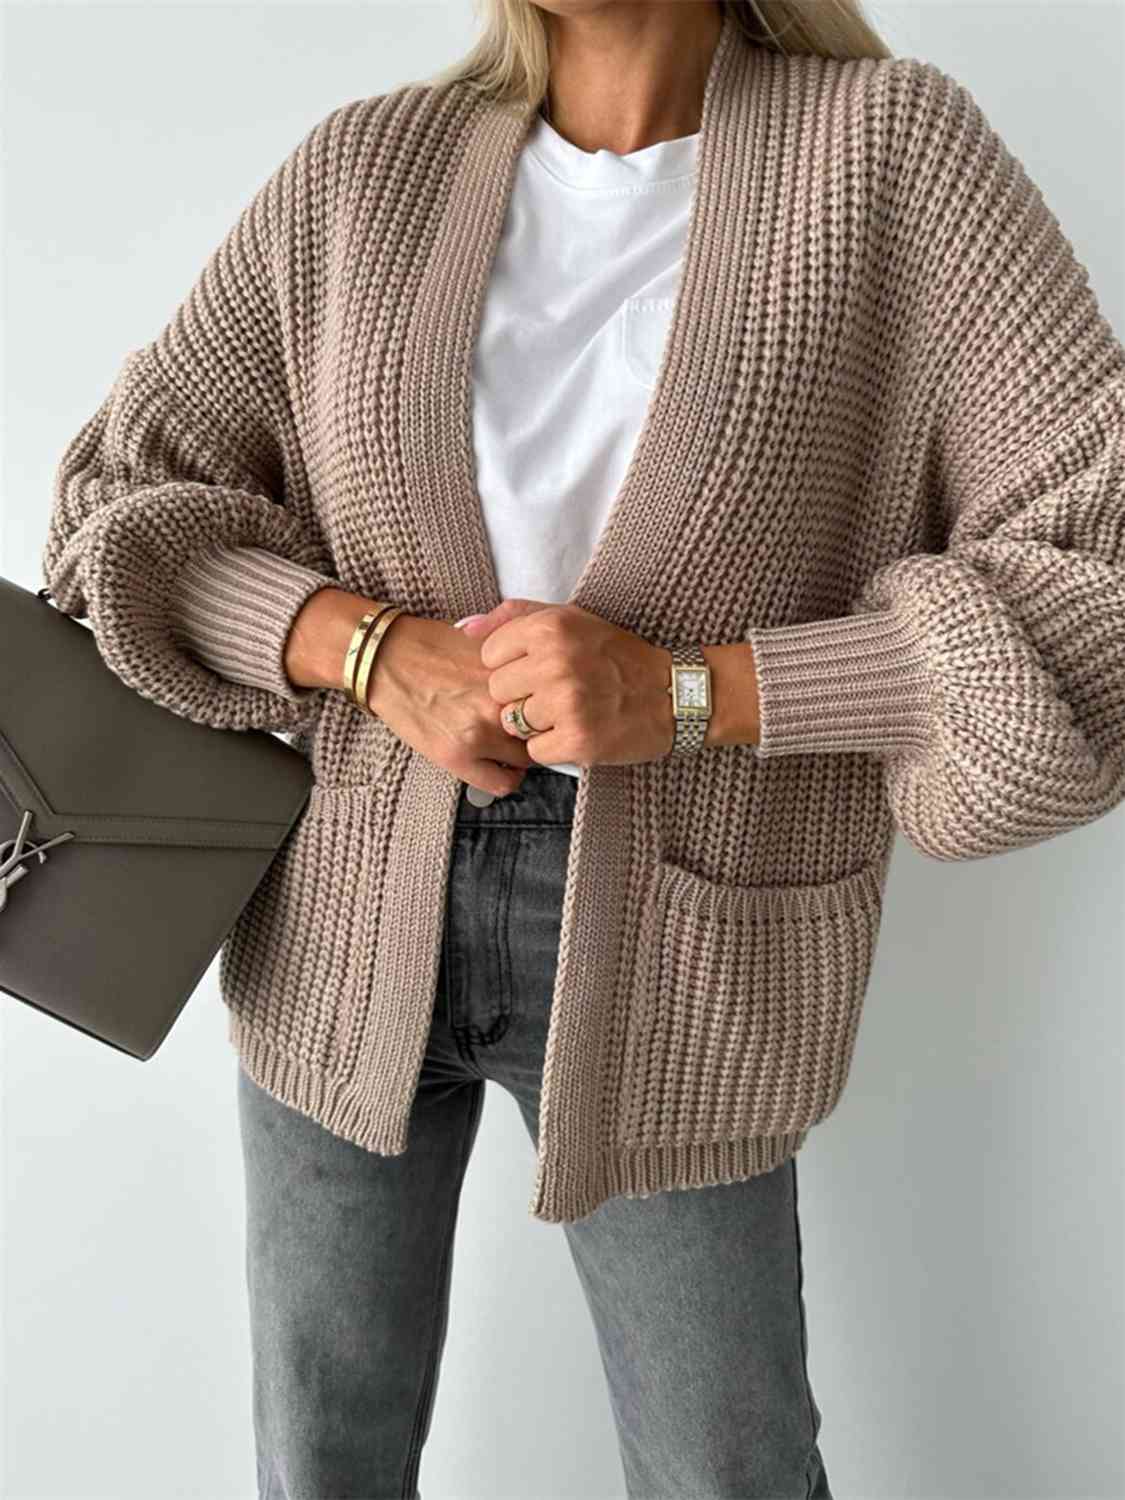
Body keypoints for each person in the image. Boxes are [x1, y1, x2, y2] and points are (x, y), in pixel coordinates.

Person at [42, 1, 1125, 1496]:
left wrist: (694, 692)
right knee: (320, 1461)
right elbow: (113, 504)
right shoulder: (366, 170)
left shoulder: (889, 157)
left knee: (723, 1468)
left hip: (685, 933)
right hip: (340, 906)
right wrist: (366, 649)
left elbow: (1099, 580)